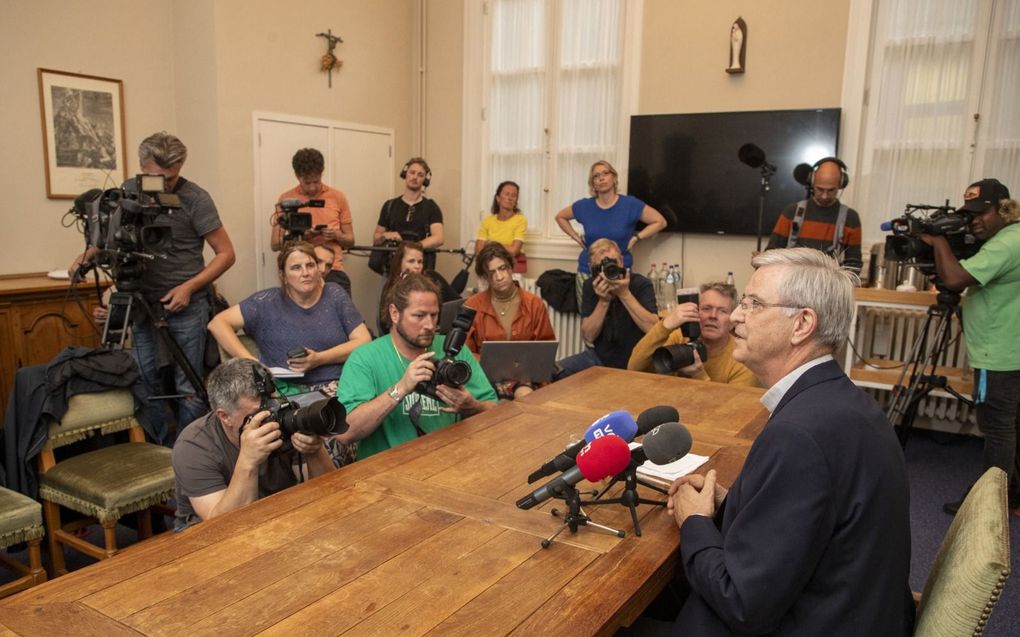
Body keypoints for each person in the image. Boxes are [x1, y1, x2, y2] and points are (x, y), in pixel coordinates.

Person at [660, 248, 913, 635]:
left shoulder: (800, 434)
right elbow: (816, 515)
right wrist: (731, 502)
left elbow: (741, 602)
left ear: (802, 324)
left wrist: (694, 519)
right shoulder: (839, 400)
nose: (737, 316)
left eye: (754, 304)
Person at [68, 131, 236, 445]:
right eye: (157, 177)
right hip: (142, 302)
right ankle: (157, 451)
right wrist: (87, 256)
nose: (165, 185)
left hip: (187, 304)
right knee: (146, 381)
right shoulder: (128, 192)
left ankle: (189, 452)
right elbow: (110, 238)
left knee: (187, 386)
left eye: (172, 177)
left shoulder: (196, 199)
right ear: (141, 166)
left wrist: (189, 287)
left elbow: (226, 254)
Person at [920, 178, 1020, 514]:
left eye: (982, 212)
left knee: (997, 428)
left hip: (1000, 354)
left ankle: (989, 504)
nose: (975, 219)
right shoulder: (1011, 238)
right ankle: (1013, 495)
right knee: (1010, 426)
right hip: (1007, 350)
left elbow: (955, 279)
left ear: (1003, 209)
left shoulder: (1006, 243)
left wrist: (937, 240)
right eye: (970, 213)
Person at [338, 273, 498, 460]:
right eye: (419, 316)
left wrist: (473, 406)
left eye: (434, 315)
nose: (430, 325)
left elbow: (495, 413)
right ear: (395, 313)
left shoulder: (454, 350)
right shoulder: (365, 358)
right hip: (387, 471)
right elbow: (345, 433)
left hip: (449, 462)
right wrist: (400, 389)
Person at [172, 358, 335, 530]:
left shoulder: (282, 417)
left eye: (273, 404)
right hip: (203, 538)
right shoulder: (193, 446)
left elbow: (328, 493)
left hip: (276, 517)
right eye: (258, 413)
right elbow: (221, 526)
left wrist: (315, 451)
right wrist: (247, 461)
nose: (271, 415)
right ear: (225, 416)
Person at [208, 242, 370, 391]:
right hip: (285, 391)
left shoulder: (334, 294)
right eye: (296, 268)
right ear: (283, 275)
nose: (305, 273)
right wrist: (251, 362)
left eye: (310, 265)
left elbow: (363, 341)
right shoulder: (265, 302)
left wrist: (319, 359)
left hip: (339, 385)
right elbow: (217, 324)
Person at [554, 239, 658, 378]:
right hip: (600, 359)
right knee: (553, 372)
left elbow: (653, 328)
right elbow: (589, 335)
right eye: (601, 266)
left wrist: (624, 294)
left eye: (612, 263)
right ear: (592, 268)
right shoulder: (590, 286)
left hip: (637, 361)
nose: (608, 270)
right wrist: (603, 301)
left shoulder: (640, 283)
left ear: (621, 261)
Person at [464, 243, 555, 399]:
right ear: (485, 277)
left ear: (511, 268)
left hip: (524, 378)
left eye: (502, 268)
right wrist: (491, 364)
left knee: (524, 395)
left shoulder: (534, 304)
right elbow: (465, 352)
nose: (499, 277)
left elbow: (545, 349)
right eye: (491, 272)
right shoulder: (472, 306)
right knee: (492, 403)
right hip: (485, 377)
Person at [554, 160, 666, 287]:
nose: (601, 178)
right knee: (590, 308)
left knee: (622, 307)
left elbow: (660, 221)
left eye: (605, 173)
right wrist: (575, 236)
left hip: (620, 273)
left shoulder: (630, 204)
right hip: (588, 273)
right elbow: (560, 217)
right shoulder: (584, 206)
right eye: (596, 176)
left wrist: (636, 238)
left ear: (614, 178)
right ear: (593, 184)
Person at [627, 281, 757, 386]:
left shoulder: (741, 357)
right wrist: (665, 326)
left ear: (733, 319)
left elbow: (733, 411)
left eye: (722, 311)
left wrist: (699, 375)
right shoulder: (680, 337)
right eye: (706, 309)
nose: (712, 316)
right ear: (696, 312)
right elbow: (634, 367)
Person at [271, 148, 354, 294]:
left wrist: (336, 235)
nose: (312, 187)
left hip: (332, 270)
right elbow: (275, 244)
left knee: (342, 314)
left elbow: (350, 240)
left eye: (316, 181)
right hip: (300, 270)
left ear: (322, 172)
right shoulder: (287, 201)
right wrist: (303, 236)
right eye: (307, 183)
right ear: (297, 176)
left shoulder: (337, 197)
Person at [764, 157, 863, 274]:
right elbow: (772, 252)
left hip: (829, 287)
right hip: (791, 285)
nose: (825, 196)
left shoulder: (850, 218)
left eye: (831, 190)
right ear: (812, 181)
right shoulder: (792, 212)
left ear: (841, 184)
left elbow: (854, 264)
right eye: (820, 189)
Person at [374, 157, 444, 271]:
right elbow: (376, 238)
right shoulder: (390, 206)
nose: (415, 177)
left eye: (420, 175)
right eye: (412, 172)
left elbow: (439, 238)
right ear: (405, 174)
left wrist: (413, 248)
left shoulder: (431, 207)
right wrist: (385, 236)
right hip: (392, 267)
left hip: (420, 269)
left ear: (425, 180)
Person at [377, 241, 459, 335]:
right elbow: (384, 324)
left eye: (420, 262)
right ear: (399, 263)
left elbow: (458, 303)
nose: (417, 266)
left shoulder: (432, 277)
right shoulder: (391, 286)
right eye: (411, 261)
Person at [477, 181, 527, 259]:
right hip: (488, 264)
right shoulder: (487, 220)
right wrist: (505, 247)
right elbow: (479, 251)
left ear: (516, 201)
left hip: (511, 266)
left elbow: (514, 251)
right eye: (507, 194)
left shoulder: (520, 220)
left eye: (514, 196)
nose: (510, 198)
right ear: (498, 198)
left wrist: (491, 243)